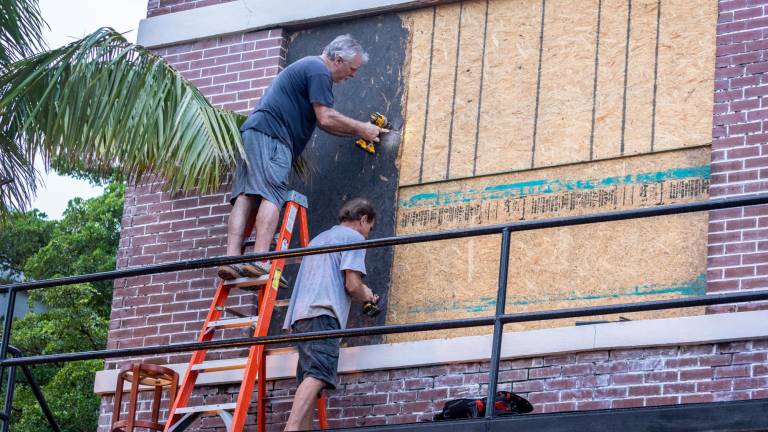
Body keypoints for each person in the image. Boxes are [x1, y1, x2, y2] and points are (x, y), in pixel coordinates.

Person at [218, 35, 386, 280]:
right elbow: (326, 117)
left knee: (246, 195)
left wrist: (358, 131)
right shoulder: (319, 70)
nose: (352, 76)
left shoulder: (308, 67)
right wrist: (363, 128)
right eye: (352, 69)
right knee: (271, 195)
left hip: (254, 133)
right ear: (338, 59)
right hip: (275, 137)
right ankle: (259, 259)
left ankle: (232, 260)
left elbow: (327, 125)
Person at [282, 198, 379, 431]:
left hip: (300, 316)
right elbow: (353, 285)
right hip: (323, 313)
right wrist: (368, 296)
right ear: (363, 219)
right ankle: (290, 429)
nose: (368, 234)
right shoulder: (354, 238)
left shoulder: (320, 238)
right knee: (317, 374)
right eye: (370, 228)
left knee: (310, 379)